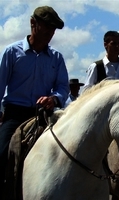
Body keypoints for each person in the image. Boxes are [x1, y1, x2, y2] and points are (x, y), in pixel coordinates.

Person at [0, 6, 69, 196]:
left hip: (43, 116)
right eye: (47, 27)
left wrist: (54, 99)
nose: (50, 32)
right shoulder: (12, 53)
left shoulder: (56, 58)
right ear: (33, 23)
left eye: (53, 29)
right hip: (15, 115)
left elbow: (63, 87)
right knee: (2, 154)